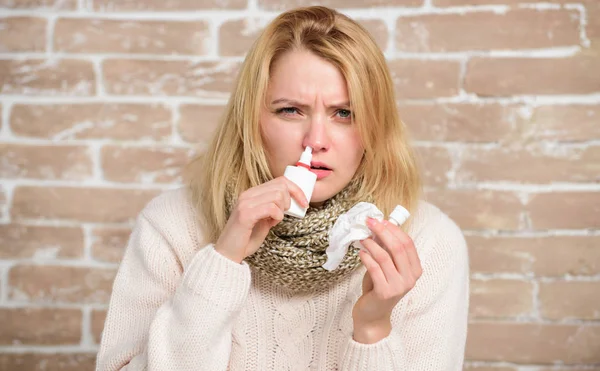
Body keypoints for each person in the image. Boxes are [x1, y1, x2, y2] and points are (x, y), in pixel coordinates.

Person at [96, 6, 469, 371]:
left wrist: (373, 329)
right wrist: (222, 261)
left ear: (375, 127)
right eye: (291, 110)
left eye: (345, 114)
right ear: (251, 119)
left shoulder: (430, 242)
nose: (316, 139)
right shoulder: (172, 224)